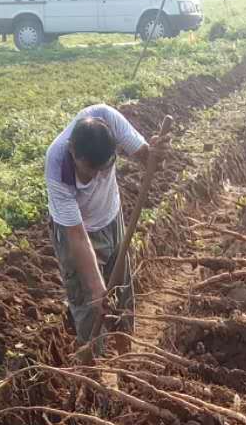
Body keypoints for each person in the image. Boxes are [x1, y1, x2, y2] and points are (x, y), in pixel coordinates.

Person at [44, 105, 162, 357]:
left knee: (122, 291)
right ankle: (90, 376)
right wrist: (97, 288)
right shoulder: (56, 165)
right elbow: (76, 234)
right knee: (88, 304)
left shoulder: (108, 119)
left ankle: (125, 358)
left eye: (101, 170)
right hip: (76, 230)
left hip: (111, 217)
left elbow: (147, 157)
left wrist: (156, 154)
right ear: (73, 152)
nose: (94, 178)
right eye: (88, 171)